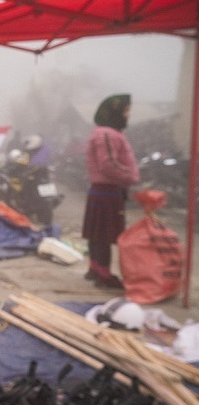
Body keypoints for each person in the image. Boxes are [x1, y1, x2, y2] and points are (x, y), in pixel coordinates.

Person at [82, 93, 139, 289]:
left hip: (104, 191)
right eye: (126, 110)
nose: (128, 115)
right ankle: (104, 275)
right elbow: (108, 164)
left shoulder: (107, 133)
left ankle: (95, 268)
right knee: (103, 235)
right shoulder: (107, 134)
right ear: (115, 112)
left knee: (96, 234)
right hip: (107, 191)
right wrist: (131, 175)